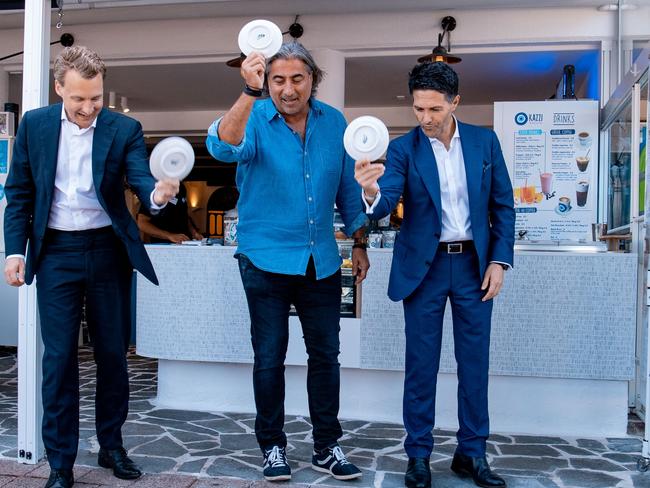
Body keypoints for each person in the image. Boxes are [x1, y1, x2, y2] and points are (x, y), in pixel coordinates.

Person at [3, 46, 179, 488]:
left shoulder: (125, 128)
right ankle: (61, 463)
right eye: (79, 98)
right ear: (59, 88)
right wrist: (14, 251)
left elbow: (141, 178)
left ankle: (111, 446)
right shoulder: (34, 126)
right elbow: (19, 193)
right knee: (59, 358)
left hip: (107, 249)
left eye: (96, 98)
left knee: (112, 355)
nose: (88, 108)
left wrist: (159, 195)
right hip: (56, 251)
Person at [206, 41, 368, 483]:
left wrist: (360, 241)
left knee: (326, 357)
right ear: (267, 81)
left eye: (297, 78)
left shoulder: (334, 123)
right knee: (269, 357)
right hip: (263, 260)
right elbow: (222, 146)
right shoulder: (254, 117)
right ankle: (273, 447)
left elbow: (348, 189)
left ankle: (325, 447)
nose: (288, 89)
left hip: (322, 261)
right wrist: (249, 89)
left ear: (313, 80)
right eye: (278, 79)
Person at [354, 62, 515, 488]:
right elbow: (387, 199)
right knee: (421, 366)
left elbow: (503, 207)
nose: (425, 118)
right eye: (418, 108)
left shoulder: (485, 142)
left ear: (455, 103)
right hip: (422, 270)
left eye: (434, 109)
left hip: (473, 267)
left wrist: (499, 261)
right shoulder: (405, 148)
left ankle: (472, 453)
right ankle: (419, 455)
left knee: (474, 365)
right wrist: (371, 191)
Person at [137, 182, 202, 243]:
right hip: (164, 246)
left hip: (185, 243)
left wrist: (194, 233)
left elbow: (184, 215)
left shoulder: (181, 187)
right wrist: (169, 236)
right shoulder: (156, 188)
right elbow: (142, 223)